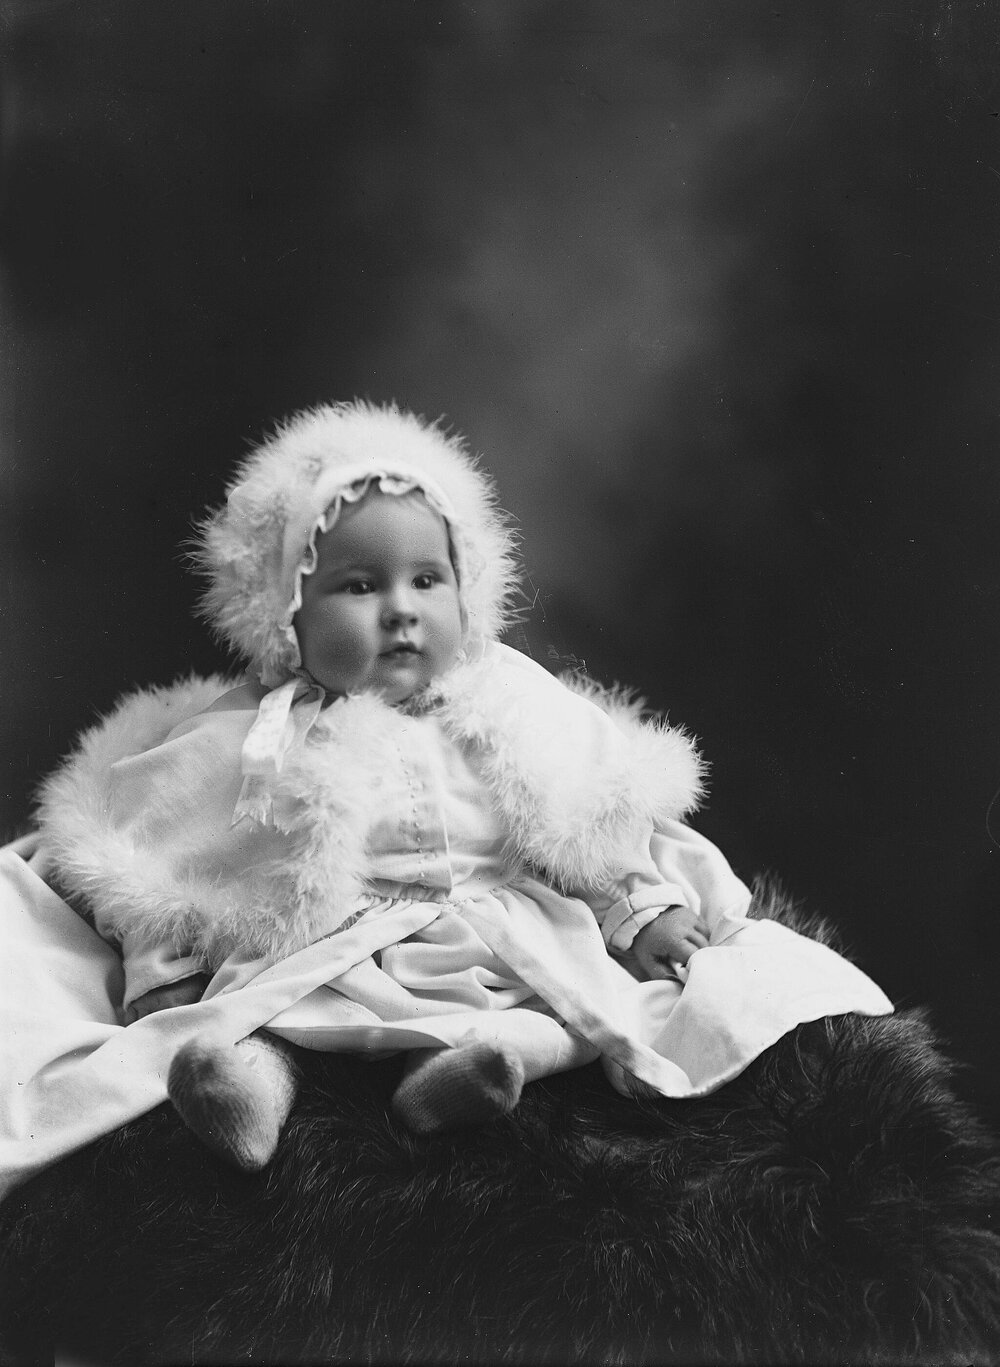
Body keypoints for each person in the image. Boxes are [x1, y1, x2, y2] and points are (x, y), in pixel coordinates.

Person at [35, 400, 891, 1172]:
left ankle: (470, 1070)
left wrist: (637, 910)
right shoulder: (257, 735)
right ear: (286, 615)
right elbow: (172, 860)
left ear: (465, 588)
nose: (400, 609)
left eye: (426, 580)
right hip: (333, 953)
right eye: (359, 586)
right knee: (265, 1012)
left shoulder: (502, 697)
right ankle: (252, 1082)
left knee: (569, 1006)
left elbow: (581, 809)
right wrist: (165, 973)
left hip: (492, 937)